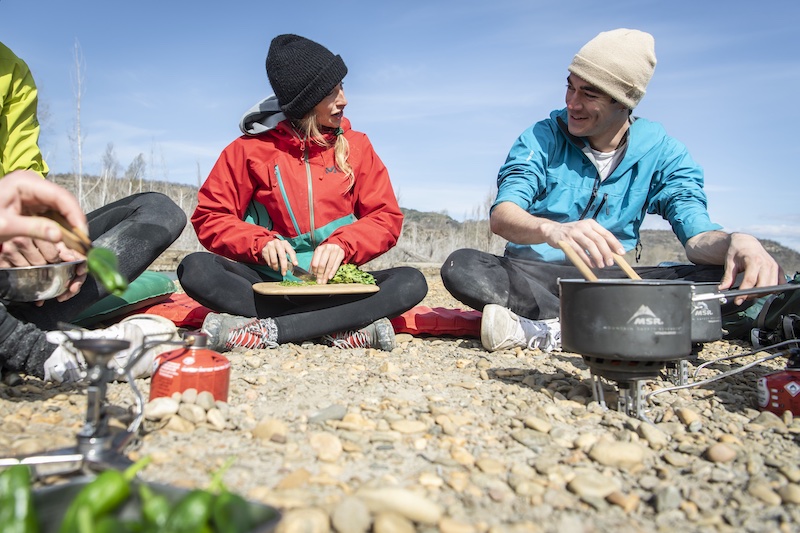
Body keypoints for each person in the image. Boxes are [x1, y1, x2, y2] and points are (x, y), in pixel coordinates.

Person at [440, 28, 785, 353]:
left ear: (624, 102)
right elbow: (503, 215)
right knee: (463, 266)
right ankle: (620, 326)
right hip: (537, 276)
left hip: (617, 281)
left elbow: (696, 235)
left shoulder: (664, 152)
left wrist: (736, 241)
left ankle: (550, 329)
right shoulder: (542, 137)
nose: (572, 103)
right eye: (570, 87)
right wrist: (552, 230)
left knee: (747, 276)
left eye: (589, 94)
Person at [177, 34, 427, 351]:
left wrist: (344, 243)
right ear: (304, 103)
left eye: (342, 86)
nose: (344, 99)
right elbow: (210, 217)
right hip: (269, 284)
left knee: (410, 282)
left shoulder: (358, 146)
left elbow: (386, 218)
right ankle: (339, 327)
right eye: (331, 92)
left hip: (336, 286)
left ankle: (267, 331)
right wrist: (259, 242)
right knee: (197, 269)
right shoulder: (249, 150)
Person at [0, 40, 186, 380]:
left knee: (159, 211)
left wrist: (52, 233)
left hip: (13, 267)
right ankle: (36, 349)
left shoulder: (10, 67)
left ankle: (20, 329)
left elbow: (22, 174)